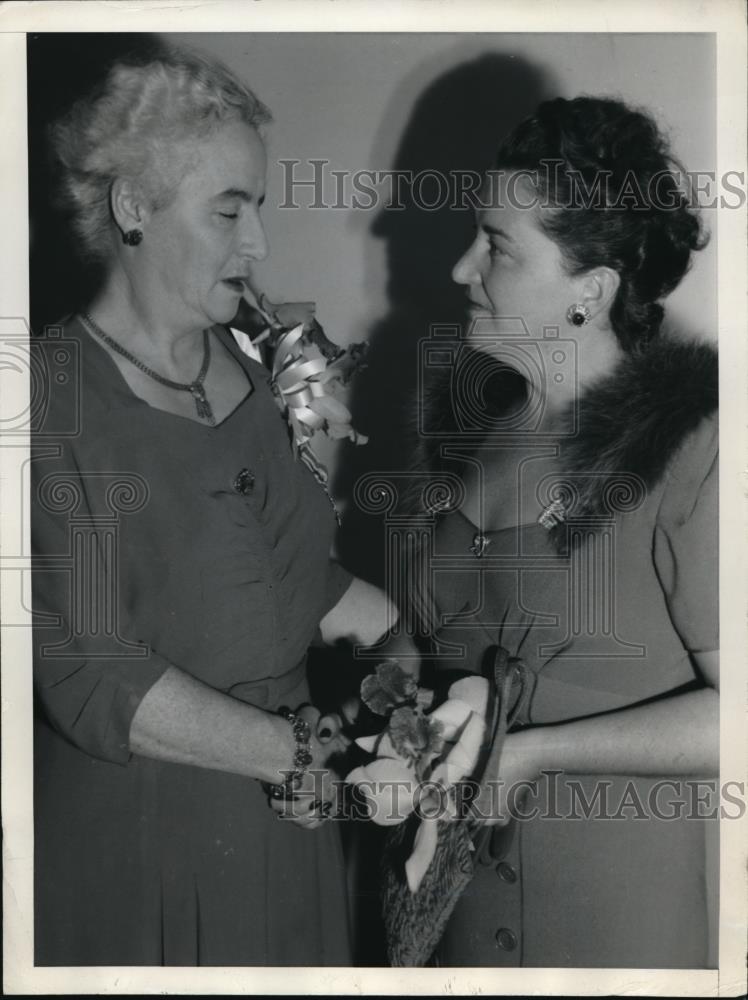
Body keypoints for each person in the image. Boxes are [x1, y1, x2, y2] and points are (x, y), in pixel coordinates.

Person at [31, 46, 394, 966]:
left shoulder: (258, 367)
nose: (258, 243)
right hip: (148, 838)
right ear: (133, 208)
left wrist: (402, 645)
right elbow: (87, 672)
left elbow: (284, 576)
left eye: (259, 208)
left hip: (290, 827)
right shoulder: (44, 398)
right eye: (229, 210)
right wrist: (299, 758)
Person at [406, 96, 718, 967]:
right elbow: (431, 640)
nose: (463, 267)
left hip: (611, 923)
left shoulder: (693, 446)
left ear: (592, 289)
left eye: (499, 246)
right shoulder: (475, 425)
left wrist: (535, 755)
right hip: (458, 916)